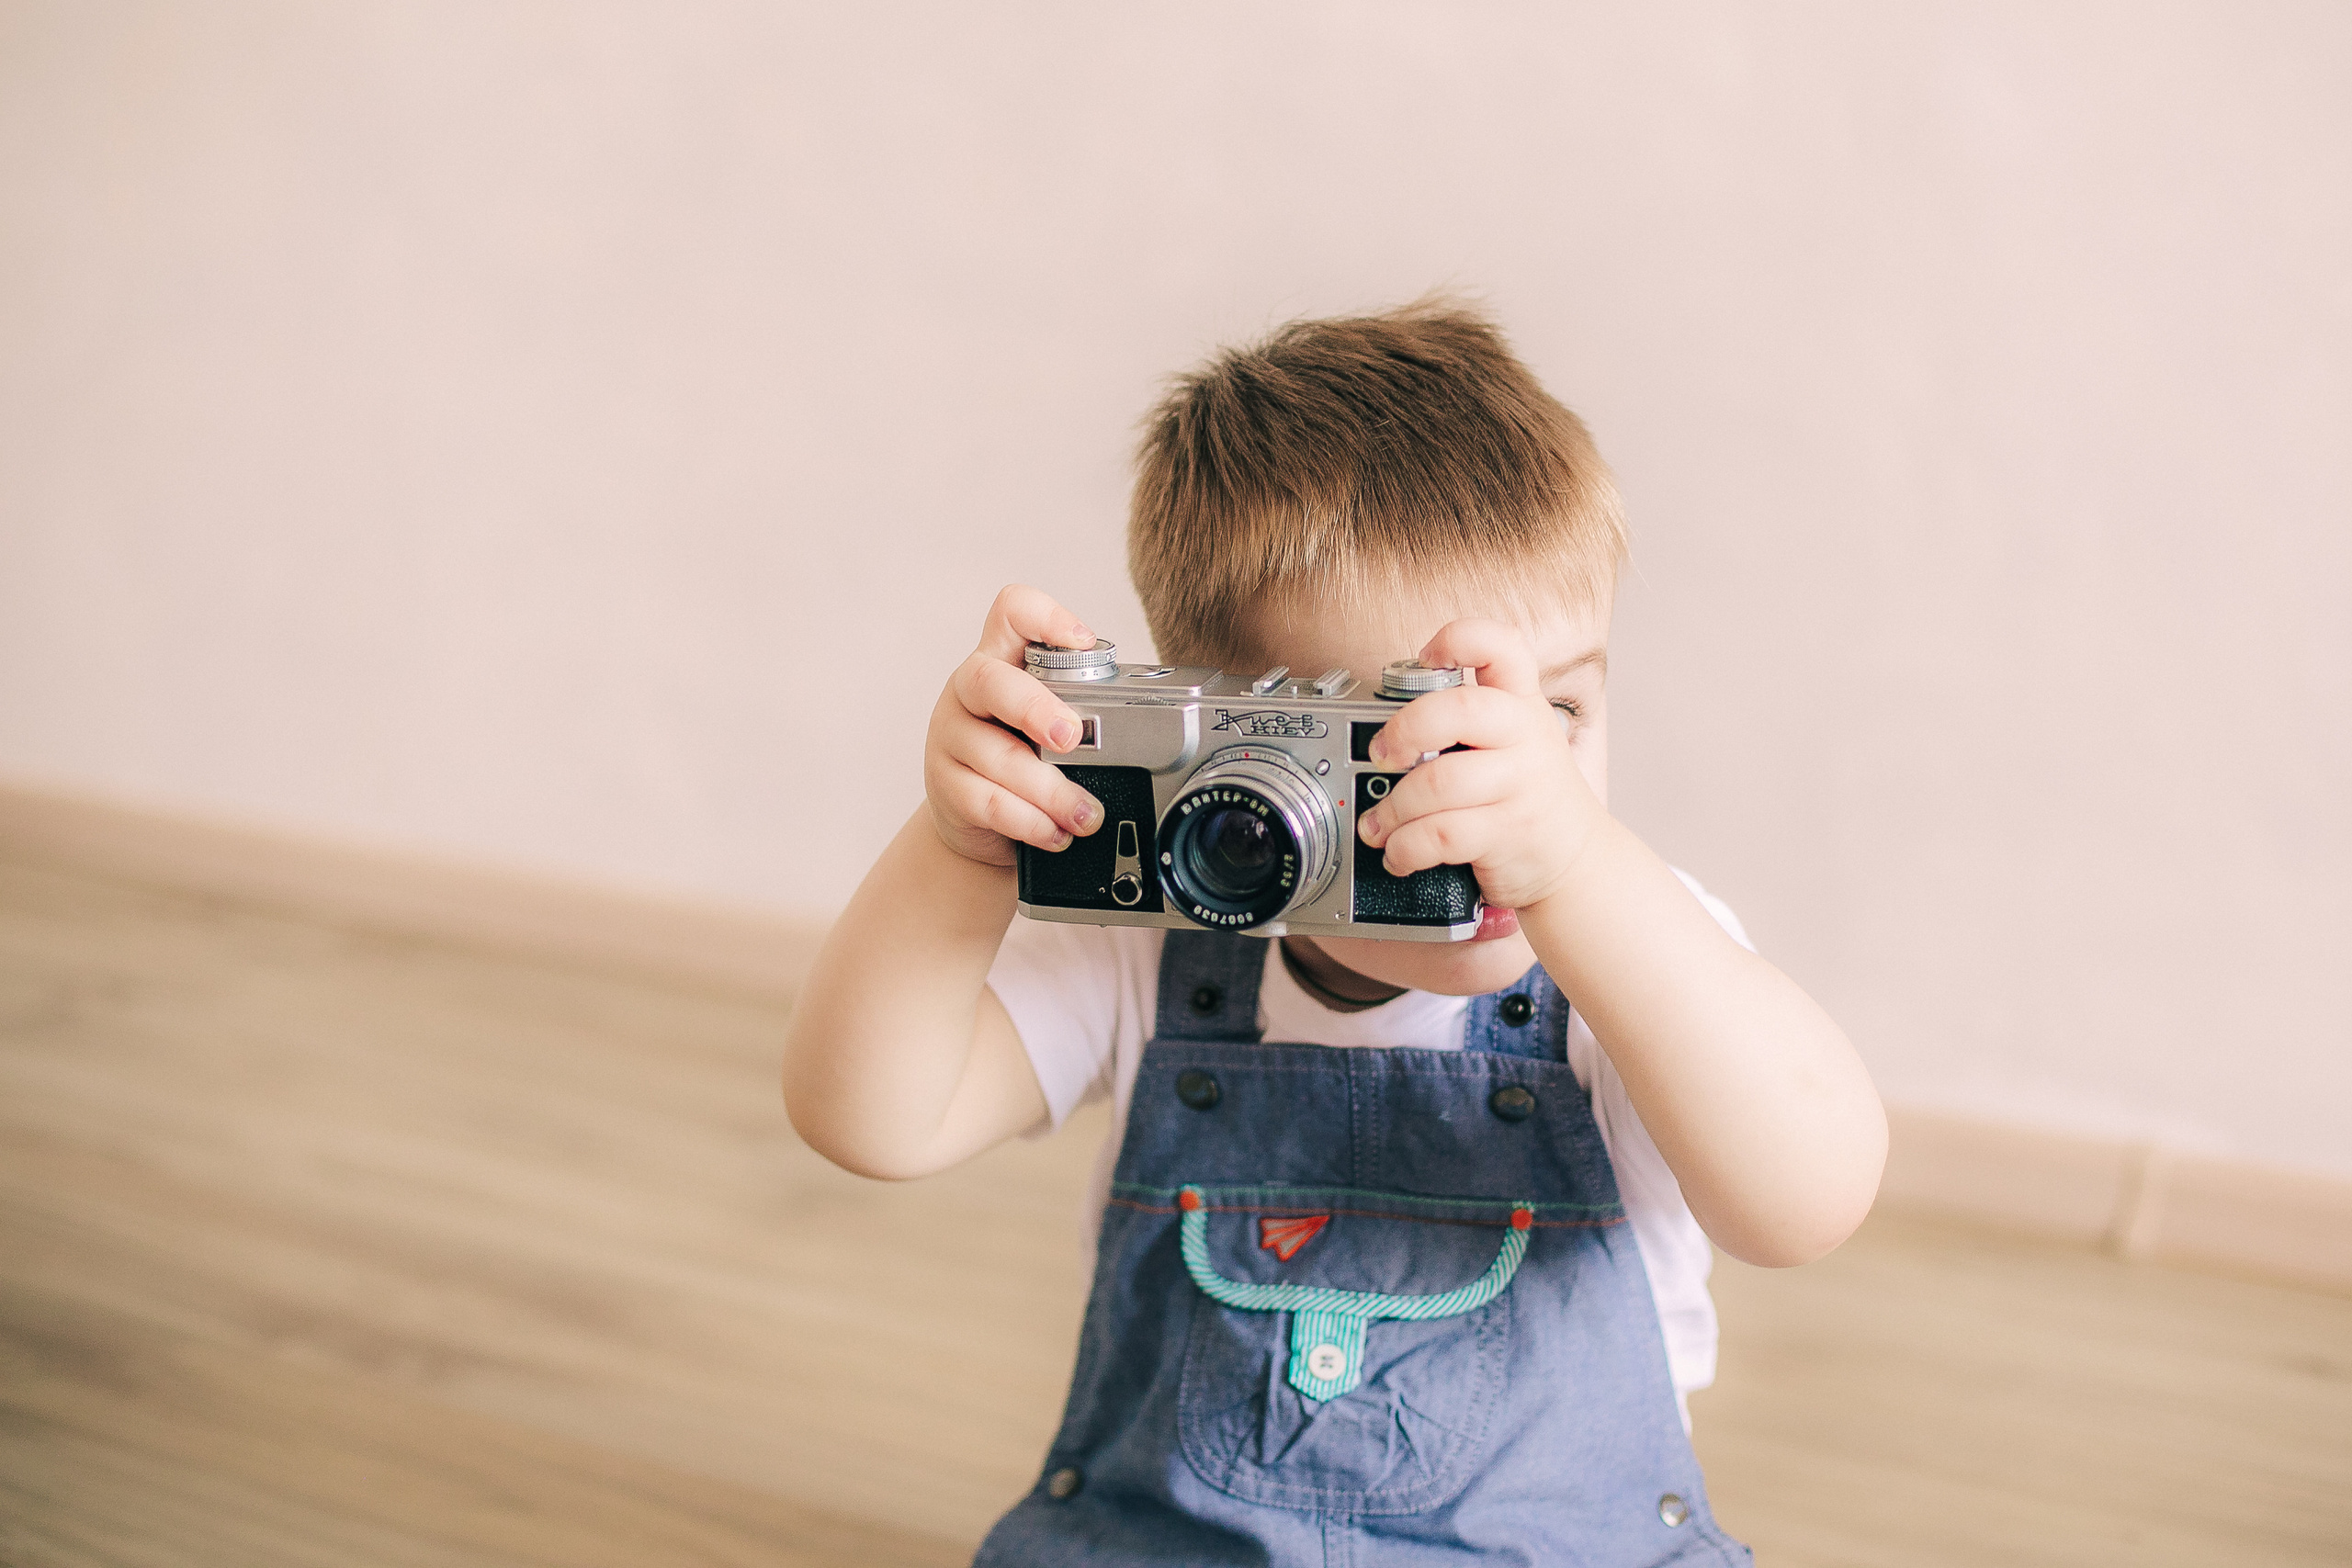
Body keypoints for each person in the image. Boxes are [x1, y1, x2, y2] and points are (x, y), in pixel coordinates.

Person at [783, 299, 1885, 1565]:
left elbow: (1804, 1203)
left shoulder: (1637, 961)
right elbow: (871, 1120)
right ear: (1226, 738)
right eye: (1402, 746)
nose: (1499, 801)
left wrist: (1582, 869)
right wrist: (956, 855)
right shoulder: (1154, 945)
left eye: (1555, 717)